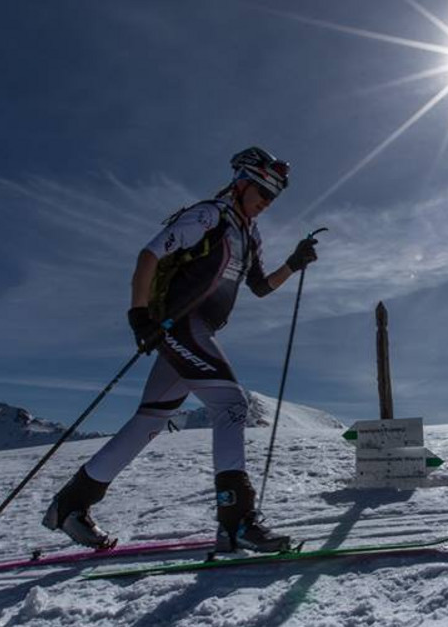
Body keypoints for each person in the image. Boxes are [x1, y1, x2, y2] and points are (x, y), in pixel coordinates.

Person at [42, 146, 319, 554]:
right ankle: (236, 522)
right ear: (242, 182)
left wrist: (294, 263)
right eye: (262, 191)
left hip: (198, 330)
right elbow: (149, 254)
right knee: (230, 406)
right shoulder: (209, 216)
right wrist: (139, 316)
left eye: (272, 197)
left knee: (149, 422)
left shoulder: (249, 234)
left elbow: (260, 288)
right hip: (178, 326)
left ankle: (70, 506)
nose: (265, 203)